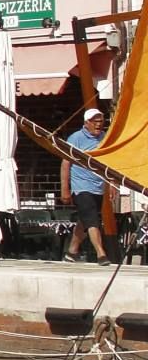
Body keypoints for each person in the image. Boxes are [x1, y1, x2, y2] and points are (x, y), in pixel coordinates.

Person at [62, 107, 113, 265]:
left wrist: (111, 184)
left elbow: (109, 163)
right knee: (92, 220)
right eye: (94, 121)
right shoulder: (75, 138)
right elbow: (65, 164)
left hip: (98, 186)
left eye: (101, 121)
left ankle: (71, 252)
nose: (98, 124)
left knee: (85, 220)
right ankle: (101, 254)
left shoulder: (104, 137)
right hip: (81, 187)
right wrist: (65, 189)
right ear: (86, 123)